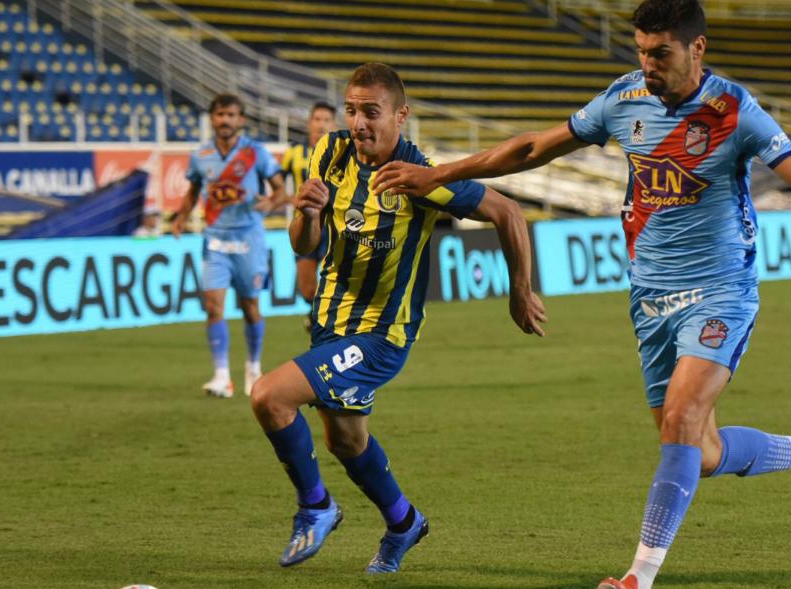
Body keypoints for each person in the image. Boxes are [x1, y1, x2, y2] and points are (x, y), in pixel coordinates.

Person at [371, 1, 791, 587]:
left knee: (681, 418)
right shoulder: (624, 99)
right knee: (698, 452)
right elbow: (533, 148)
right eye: (642, 51)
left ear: (697, 49)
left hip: (720, 291)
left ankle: (637, 577)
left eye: (661, 53)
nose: (648, 64)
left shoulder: (734, 110)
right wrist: (440, 172)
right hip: (650, 298)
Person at [249, 63, 546, 574]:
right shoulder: (329, 152)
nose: (358, 123)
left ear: (400, 116)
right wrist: (306, 213)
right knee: (345, 440)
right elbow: (304, 244)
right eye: (351, 110)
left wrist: (519, 290)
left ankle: (316, 506)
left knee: (269, 396)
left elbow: (508, 212)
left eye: (371, 112)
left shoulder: (419, 176)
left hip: (381, 335)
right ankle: (404, 522)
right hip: (329, 323)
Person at [172, 93, 290, 398]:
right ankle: (222, 377)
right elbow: (193, 190)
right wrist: (180, 217)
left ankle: (253, 368)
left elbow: (280, 190)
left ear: (241, 120)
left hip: (249, 239)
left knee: (250, 307)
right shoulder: (201, 155)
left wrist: (272, 201)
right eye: (220, 114)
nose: (225, 120)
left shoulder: (255, 153)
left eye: (231, 115)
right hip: (215, 240)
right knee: (213, 306)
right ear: (212, 119)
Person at [282, 101, 338, 327]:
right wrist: (291, 199)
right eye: (317, 119)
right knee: (306, 289)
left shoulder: (342, 152)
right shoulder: (294, 153)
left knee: (336, 280)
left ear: (334, 125)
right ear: (309, 123)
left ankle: (330, 323)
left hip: (335, 225)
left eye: (326, 120)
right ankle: (318, 315)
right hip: (304, 224)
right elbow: (277, 185)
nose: (321, 124)